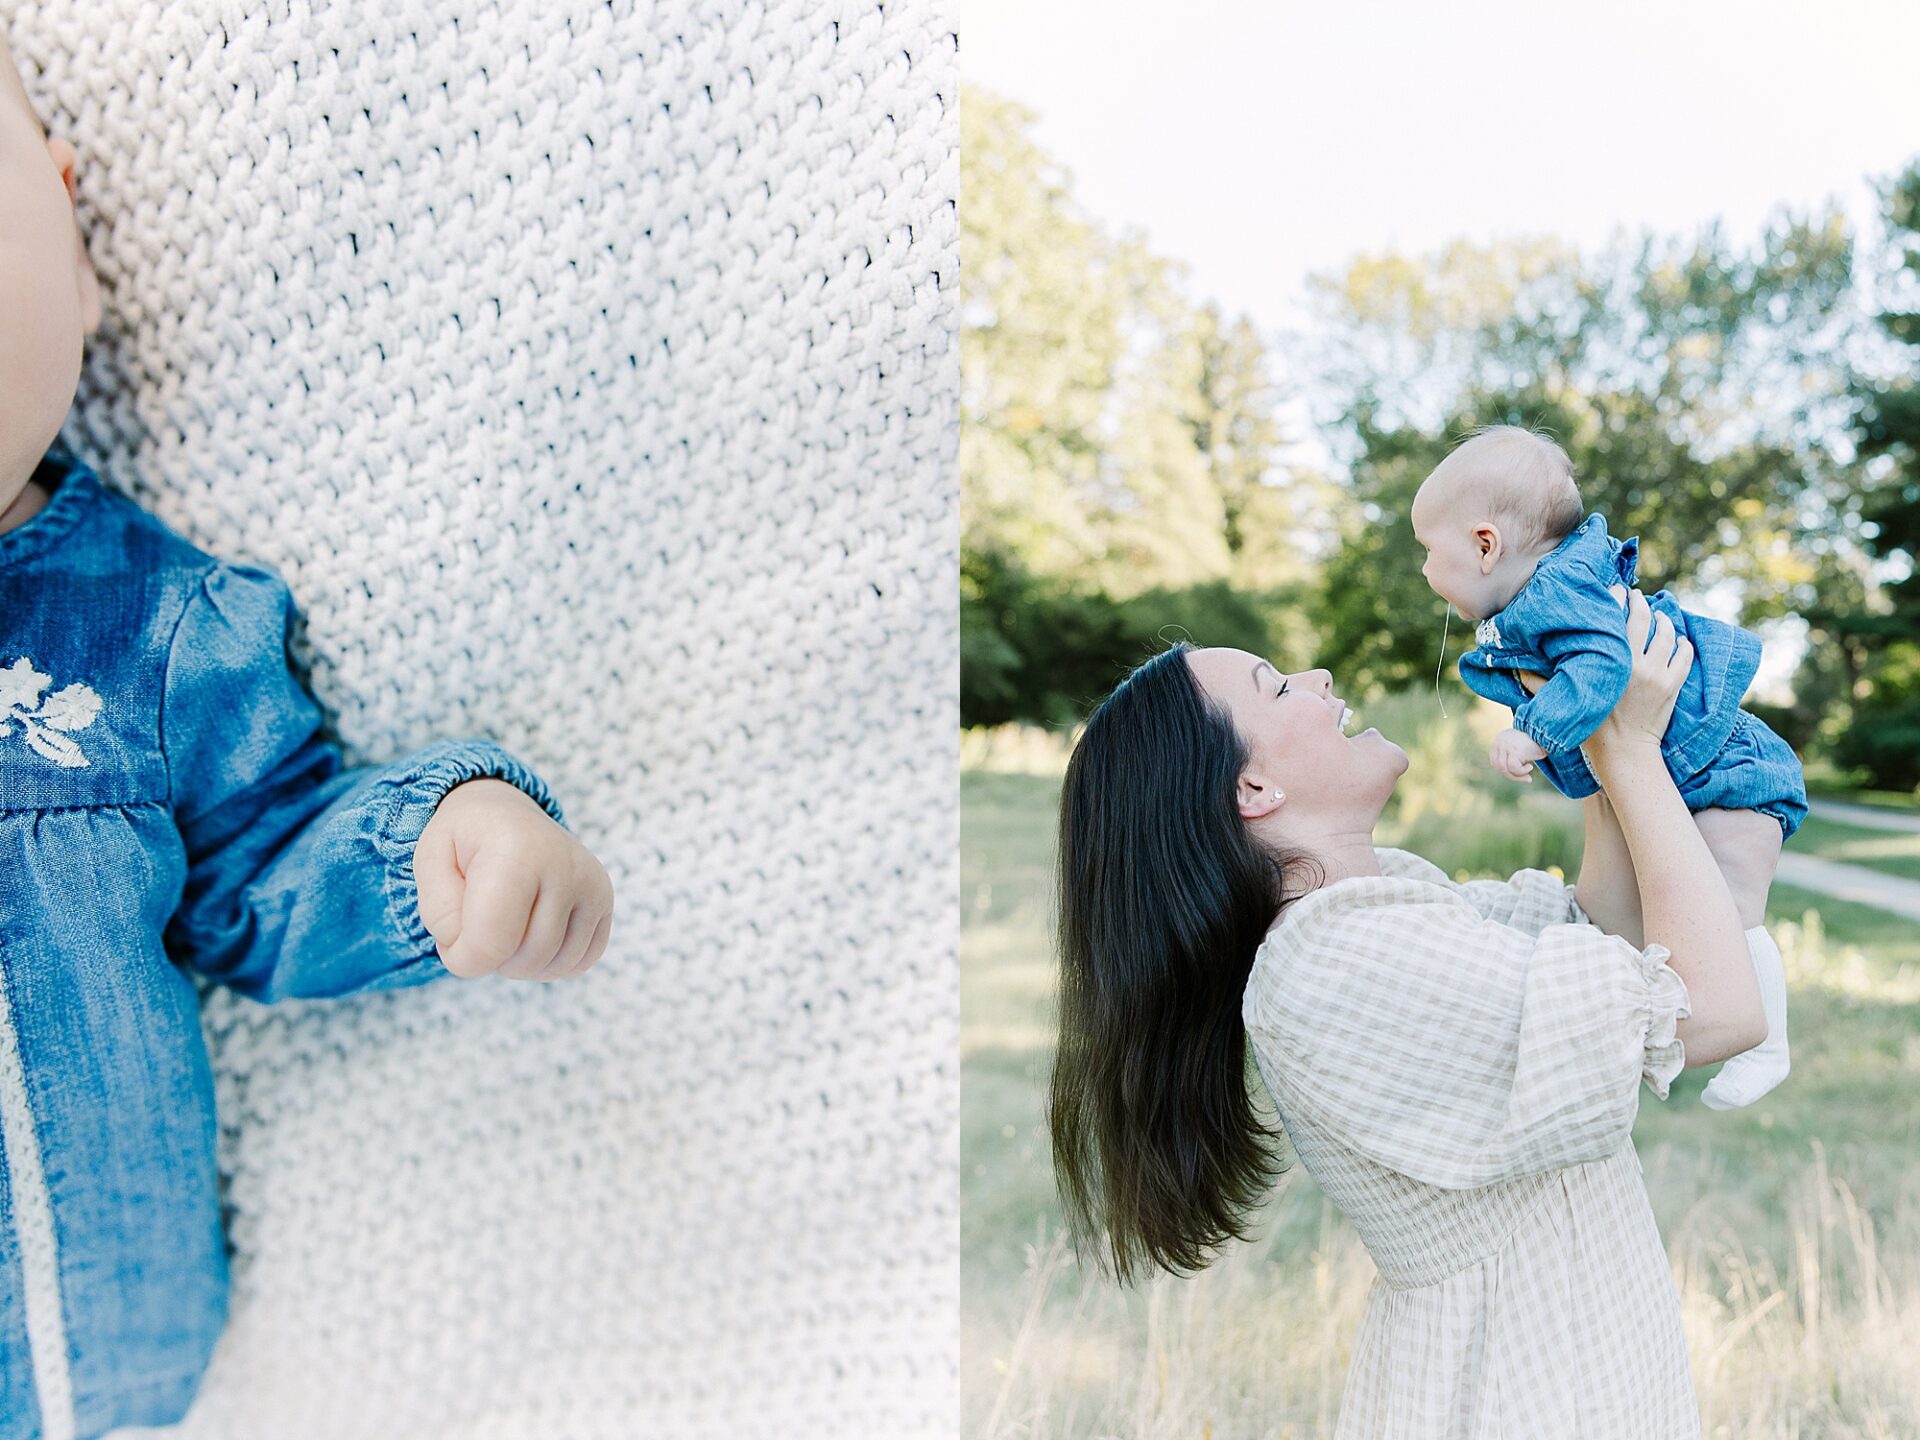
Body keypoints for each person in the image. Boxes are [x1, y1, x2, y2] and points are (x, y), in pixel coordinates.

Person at [0, 36, 614, 1440]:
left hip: (99, 1372)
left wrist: (441, 851)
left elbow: (267, 872)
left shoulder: (149, 631)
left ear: (73, 233)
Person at [1050, 591, 1768, 1439]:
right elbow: (1714, 1009)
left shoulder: (1386, 903)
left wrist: (1592, 716)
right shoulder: (1336, 963)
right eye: (1277, 687)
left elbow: (1610, 934)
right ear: (1253, 786)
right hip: (1523, 1394)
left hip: (1568, 1367)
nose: (1316, 677)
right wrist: (1633, 750)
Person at [1412, 424, 1804, 1108]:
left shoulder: (1558, 593)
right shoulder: (1548, 596)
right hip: (1699, 767)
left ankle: (1766, 1044)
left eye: (1426, 550)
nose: (1423, 570)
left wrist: (1536, 731)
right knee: (1682, 912)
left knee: (1732, 908)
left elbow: (1603, 667)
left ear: (1484, 544)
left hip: (1730, 770)